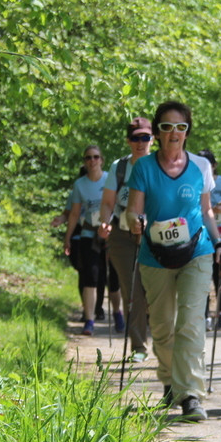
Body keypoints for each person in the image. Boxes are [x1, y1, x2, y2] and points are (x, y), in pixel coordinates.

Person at [125, 101, 221, 422]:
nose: (174, 134)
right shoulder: (143, 168)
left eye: (180, 128)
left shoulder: (200, 167)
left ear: (187, 132)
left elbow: (207, 209)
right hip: (154, 255)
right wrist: (134, 222)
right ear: (157, 132)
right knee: (163, 326)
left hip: (196, 250)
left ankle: (191, 395)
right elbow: (133, 210)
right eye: (167, 127)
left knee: (191, 322)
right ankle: (170, 381)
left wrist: (220, 242)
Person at [98, 118, 154, 362]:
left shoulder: (160, 165)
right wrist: (104, 221)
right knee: (133, 290)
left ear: (153, 139)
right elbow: (108, 202)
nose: (140, 143)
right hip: (122, 234)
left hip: (155, 234)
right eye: (135, 138)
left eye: (145, 137)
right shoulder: (119, 167)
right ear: (128, 141)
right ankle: (139, 347)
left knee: (155, 289)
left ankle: (163, 341)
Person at [64, 148, 122, 335]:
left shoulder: (109, 179)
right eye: (88, 157)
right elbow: (74, 213)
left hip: (112, 233)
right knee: (91, 276)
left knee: (114, 278)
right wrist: (68, 238)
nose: (92, 160)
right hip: (89, 234)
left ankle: (117, 313)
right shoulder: (80, 184)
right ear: (84, 161)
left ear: (102, 160)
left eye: (96, 157)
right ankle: (89, 320)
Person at [199, 149, 221, 331]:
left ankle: (219, 313)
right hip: (202, 238)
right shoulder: (195, 182)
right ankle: (203, 315)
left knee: (218, 278)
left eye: (208, 164)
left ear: (214, 165)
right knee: (202, 278)